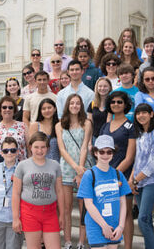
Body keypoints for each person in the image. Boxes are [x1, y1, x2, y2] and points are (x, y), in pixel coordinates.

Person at [77, 135, 132, 249]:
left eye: (109, 152)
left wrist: (121, 226)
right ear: (95, 153)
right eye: (101, 152)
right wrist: (104, 226)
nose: (105, 155)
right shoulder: (89, 175)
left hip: (114, 224)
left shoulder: (118, 174)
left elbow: (122, 203)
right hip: (96, 225)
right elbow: (88, 204)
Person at [12, 132, 64, 249]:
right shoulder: (22, 165)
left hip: (50, 213)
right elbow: (15, 193)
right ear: (30, 147)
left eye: (43, 147)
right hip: (30, 213)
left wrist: (61, 215)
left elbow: (60, 191)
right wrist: (15, 218)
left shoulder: (55, 165)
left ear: (48, 148)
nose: (40, 150)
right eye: (36, 147)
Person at [99, 91, 137, 249]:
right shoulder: (105, 126)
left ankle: (127, 246)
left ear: (125, 104)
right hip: (104, 176)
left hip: (122, 176)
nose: (116, 104)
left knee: (126, 214)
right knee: (106, 212)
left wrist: (114, 175)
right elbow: (99, 152)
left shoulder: (130, 126)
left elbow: (130, 157)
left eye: (119, 102)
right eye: (113, 102)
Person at [56, 94, 93, 249]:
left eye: (78, 103)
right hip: (66, 167)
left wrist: (80, 168)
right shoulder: (59, 125)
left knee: (84, 207)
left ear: (81, 106)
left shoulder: (87, 123)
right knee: (66, 208)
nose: (75, 106)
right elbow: (62, 149)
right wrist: (75, 166)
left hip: (84, 167)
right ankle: (68, 241)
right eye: (72, 103)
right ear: (67, 105)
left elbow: (85, 146)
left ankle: (81, 242)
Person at [128, 104, 154, 249]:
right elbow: (137, 159)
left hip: (151, 180)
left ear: (151, 114)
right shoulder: (140, 135)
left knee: (142, 218)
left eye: (144, 112)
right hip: (138, 181)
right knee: (146, 219)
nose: (141, 116)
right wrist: (131, 179)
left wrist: (136, 179)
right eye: (138, 113)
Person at [0, 96, 28, 161]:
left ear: (14, 110)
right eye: (4, 107)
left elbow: (29, 148)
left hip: (20, 166)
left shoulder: (23, 126)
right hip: (0, 166)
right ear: (0, 110)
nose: (7, 109)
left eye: (10, 107)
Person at [88, 77, 112, 143]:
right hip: (94, 138)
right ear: (97, 87)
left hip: (108, 138)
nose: (102, 88)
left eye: (105, 86)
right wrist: (89, 142)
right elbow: (90, 125)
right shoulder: (92, 104)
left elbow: (109, 123)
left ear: (109, 88)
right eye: (100, 86)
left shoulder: (113, 104)